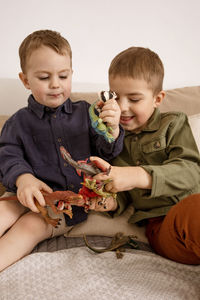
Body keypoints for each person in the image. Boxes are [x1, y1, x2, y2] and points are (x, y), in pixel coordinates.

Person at [0, 29, 124, 271]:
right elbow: (7, 155)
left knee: (29, 228)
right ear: (25, 80)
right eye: (44, 77)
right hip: (23, 193)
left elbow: (106, 155)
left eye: (63, 76)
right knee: (2, 211)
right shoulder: (17, 123)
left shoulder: (87, 114)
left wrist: (113, 130)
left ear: (71, 75)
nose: (55, 84)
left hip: (62, 205)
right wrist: (23, 178)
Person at [91, 46, 200, 265]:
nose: (123, 107)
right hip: (164, 228)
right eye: (116, 97)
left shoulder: (173, 123)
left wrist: (137, 175)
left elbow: (191, 171)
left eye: (134, 99)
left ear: (157, 99)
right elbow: (121, 194)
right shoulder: (110, 141)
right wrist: (108, 202)